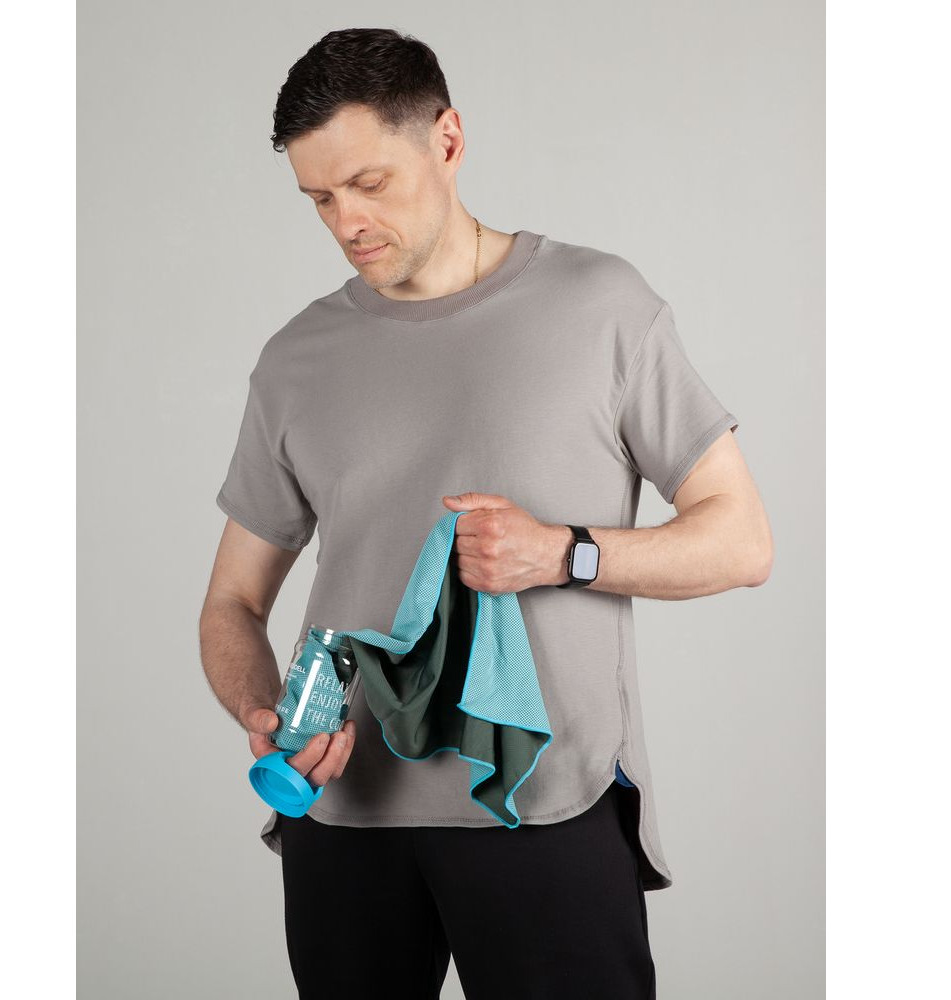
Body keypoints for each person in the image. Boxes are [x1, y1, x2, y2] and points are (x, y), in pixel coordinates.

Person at [199, 26, 773, 1000]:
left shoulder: (601, 306)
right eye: (320, 199)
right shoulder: (295, 359)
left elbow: (740, 539)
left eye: (368, 183)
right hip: (342, 817)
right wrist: (260, 711)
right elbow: (231, 604)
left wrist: (565, 553)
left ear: (448, 140)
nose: (347, 222)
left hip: (546, 806)